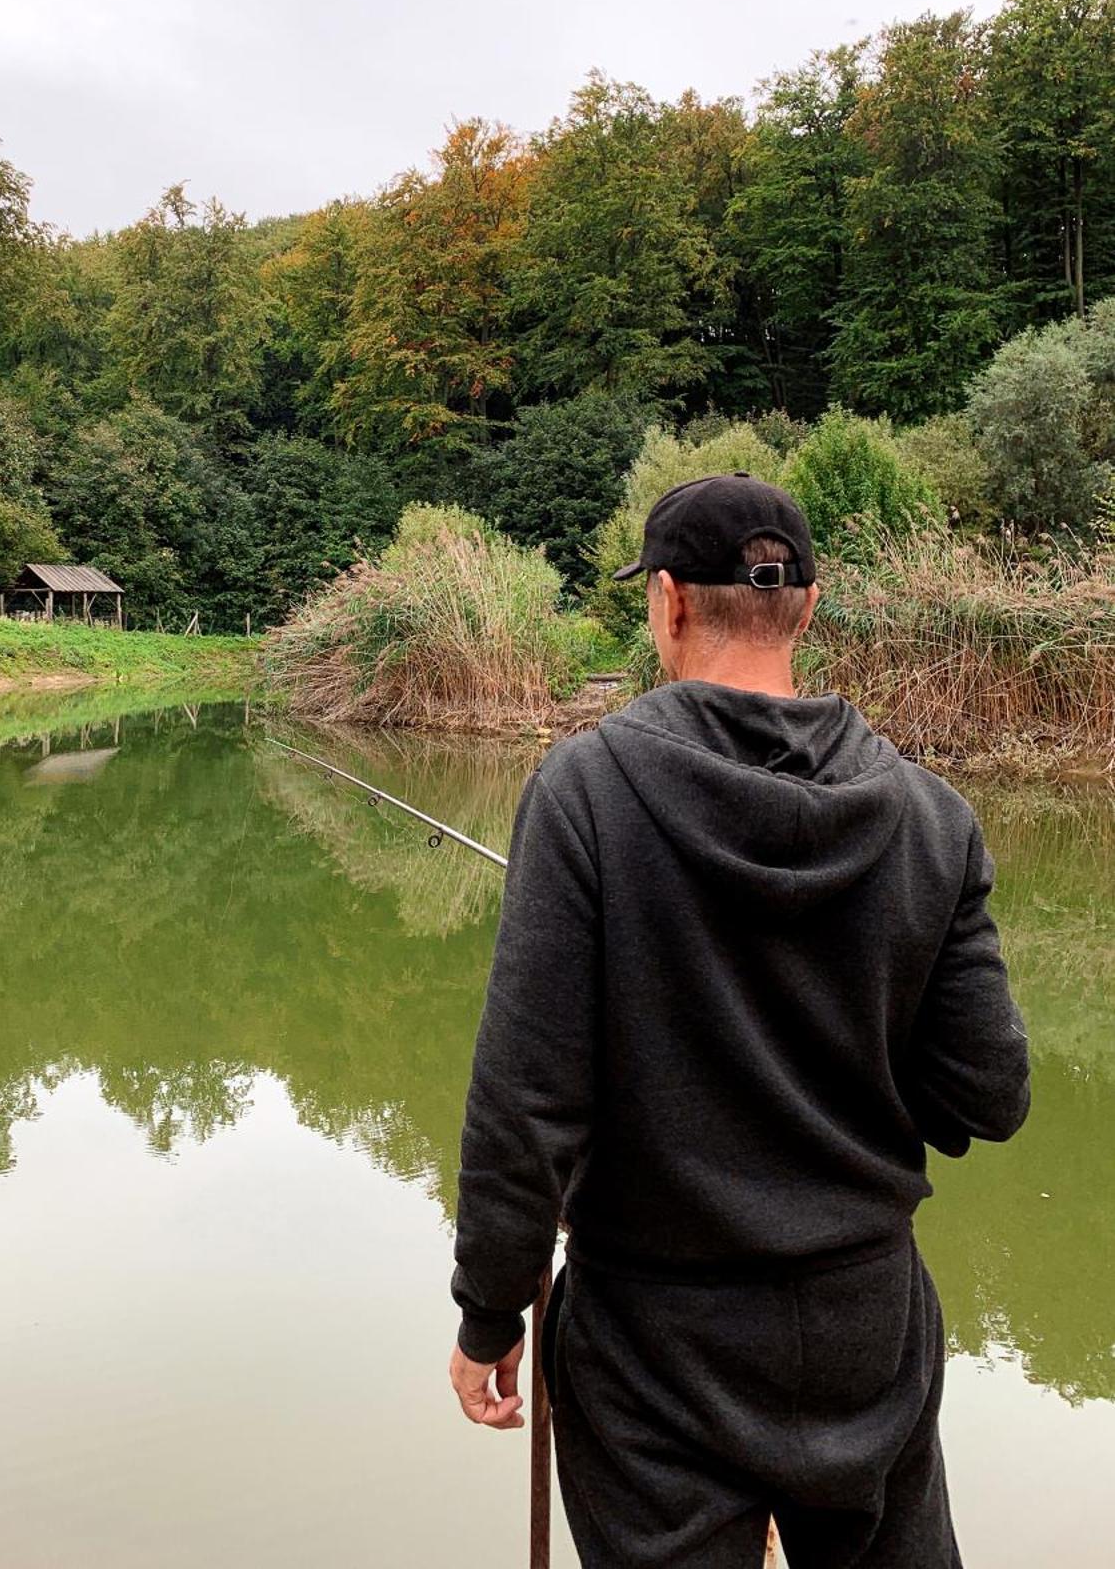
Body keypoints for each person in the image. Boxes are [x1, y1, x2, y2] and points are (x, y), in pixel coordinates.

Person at [448, 473, 1030, 1568]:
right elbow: (989, 1094)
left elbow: (527, 1104)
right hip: (869, 1326)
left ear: (667, 601)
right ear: (806, 607)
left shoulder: (584, 794)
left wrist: (490, 1313)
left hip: (655, 1346)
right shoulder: (932, 816)